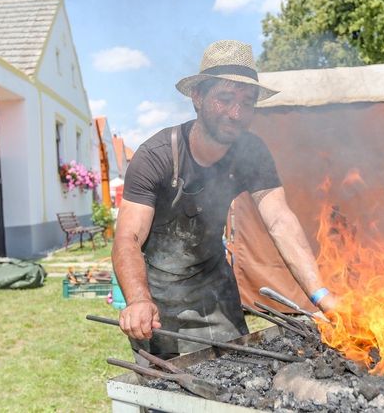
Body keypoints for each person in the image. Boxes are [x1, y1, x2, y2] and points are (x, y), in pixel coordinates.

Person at [112, 40, 337, 360]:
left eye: (247, 102)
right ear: (198, 97)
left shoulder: (251, 153)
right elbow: (127, 237)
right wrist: (138, 300)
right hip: (156, 300)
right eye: (225, 99)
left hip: (216, 294)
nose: (237, 113)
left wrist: (322, 296)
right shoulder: (157, 156)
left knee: (239, 376)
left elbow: (279, 221)